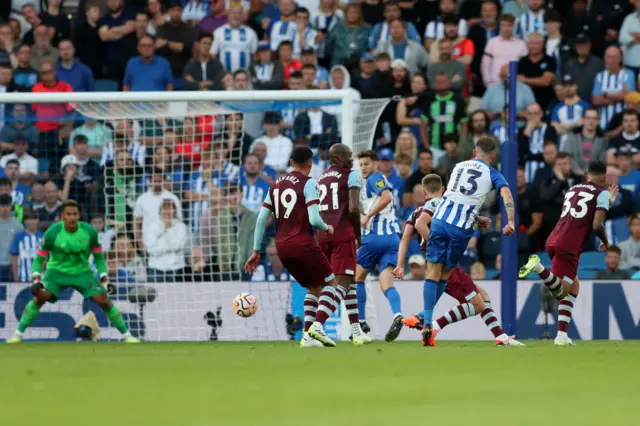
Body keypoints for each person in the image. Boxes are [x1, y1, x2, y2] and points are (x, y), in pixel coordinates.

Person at [395, 174, 522, 346]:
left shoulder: (414, 213)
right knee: (478, 304)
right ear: (443, 190)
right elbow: (435, 219)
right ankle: (431, 324)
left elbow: (405, 238)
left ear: (424, 193)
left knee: (482, 296)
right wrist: (437, 246)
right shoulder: (438, 203)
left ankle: (500, 336)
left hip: (434, 263)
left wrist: (400, 265)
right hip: (445, 263)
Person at [421, 137, 515, 343]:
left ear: (474, 153)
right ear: (493, 156)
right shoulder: (493, 173)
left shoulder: (458, 166)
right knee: (445, 274)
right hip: (461, 228)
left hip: (440, 220)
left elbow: (457, 196)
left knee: (433, 272)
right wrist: (510, 221)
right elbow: (506, 194)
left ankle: (426, 322)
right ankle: (428, 324)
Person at [7, 200, 140, 343]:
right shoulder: (53, 232)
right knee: (40, 297)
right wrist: (36, 279)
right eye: (68, 214)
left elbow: (99, 258)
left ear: (79, 216)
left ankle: (127, 336)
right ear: (62, 216)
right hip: (56, 272)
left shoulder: (89, 232)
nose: (71, 217)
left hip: (82, 272)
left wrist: (104, 279)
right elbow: (39, 260)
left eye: (75, 214)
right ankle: (17, 334)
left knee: (104, 300)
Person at [245, 146, 340, 347]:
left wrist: (256, 250)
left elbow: (261, 218)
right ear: (310, 163)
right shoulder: (309, 183)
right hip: (303, 243)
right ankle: (318, 326)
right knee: (331, 285)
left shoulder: (275, 184)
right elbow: (314, 219)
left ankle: (306, 336)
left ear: (291, 163)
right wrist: (327, 227)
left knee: (313, 287)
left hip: (282, 248)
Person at [519, 161, 616, 346]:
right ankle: (538, 267)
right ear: (604, 177)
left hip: (554, 238)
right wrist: (605, 241)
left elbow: (582, 209)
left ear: (587, 175)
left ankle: (561, 336)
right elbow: (596, 224)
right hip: (570, 245)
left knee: (574, 287)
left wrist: (606, 201)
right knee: (561, 291)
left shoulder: (573, 189)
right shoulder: (602, 193)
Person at [315, 144, 371, 344]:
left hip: (323, 235)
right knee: (343, 284)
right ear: (338, 157)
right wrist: (357, 234)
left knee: (350, 283)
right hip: (342, 234)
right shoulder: (352, 175)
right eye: (348, 156)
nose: (351, 160)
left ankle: (356, 331)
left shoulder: (321, 177)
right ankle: (317, 325)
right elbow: (354, 208)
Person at [354, 149, 404, 342]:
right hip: (392, 240)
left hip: (375, 238)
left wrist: (367, 216)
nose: (364, 168)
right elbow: (373, 202)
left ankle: (361, 321)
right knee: (386, 284)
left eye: (367, 164)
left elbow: (386, 197)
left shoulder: (375, 179)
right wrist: (359, 207)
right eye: (361, 165)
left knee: (356, 278)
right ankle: (397, 314)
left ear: (375, 164)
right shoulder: (376, 181)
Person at [144, 198, 188, 282]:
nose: (167, 211)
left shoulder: (181, 226)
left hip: (175, 269)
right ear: (160, 211)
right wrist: (168, 248)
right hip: (155, 269)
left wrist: (168, 230)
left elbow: (178, 246)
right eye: (165, 209)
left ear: (175, 211)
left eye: (170, 208)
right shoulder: (153, 226)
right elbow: (151, 250)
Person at [592, 46, 635, 130]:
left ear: (620, 59)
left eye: (614, 57)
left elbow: (629, 97)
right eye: (609, 57)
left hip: (623, 125)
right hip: (602, 123)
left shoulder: (629, 74)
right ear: (604, 59)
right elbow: (595, 100)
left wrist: (605, 95)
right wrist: (619, 95)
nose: (611, 60)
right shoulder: (599, 76)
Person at [212, 6, 257, 72]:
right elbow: (213, 54)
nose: (236, 16)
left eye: (239, 13)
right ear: (228, 14)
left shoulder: (251, 33)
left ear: (243, 16)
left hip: (244, 77)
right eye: (233, 13)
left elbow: (255, 56)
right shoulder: (218, 32)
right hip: (225, 76)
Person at [10, 210, 43, 283]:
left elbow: (46, 259)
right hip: (22, 279)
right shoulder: (18, 237)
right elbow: (14, 258)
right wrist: (16, 278)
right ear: (24, 221)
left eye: (34, 219)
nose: (32, 222)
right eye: (29, 219)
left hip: (38, 280)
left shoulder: (42, 237)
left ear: (37, 220)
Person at [0, 193, 24, 281]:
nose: (5, 208)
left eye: (7, 205)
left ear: (11, 206)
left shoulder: (17, 224)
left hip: (12, 265)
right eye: (2, 205)